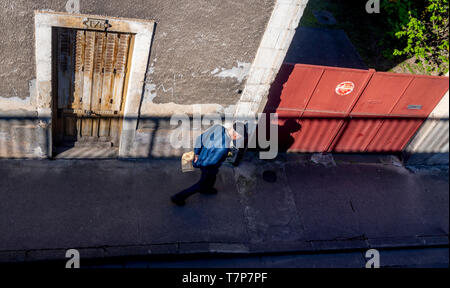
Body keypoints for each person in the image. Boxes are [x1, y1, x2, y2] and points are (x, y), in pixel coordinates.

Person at [171, 121, 248, 206]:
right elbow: (210, 162)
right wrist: (199, 164)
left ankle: (207, 188)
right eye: (239, 137)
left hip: (201, 157)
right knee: (202, 183)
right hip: (208, 167)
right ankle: (178, 197)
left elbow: (200, 138)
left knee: (212, 179)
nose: (238, 139)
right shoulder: (223, 147)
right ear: (235, 134)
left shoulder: (217, 127)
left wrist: (196, 153)